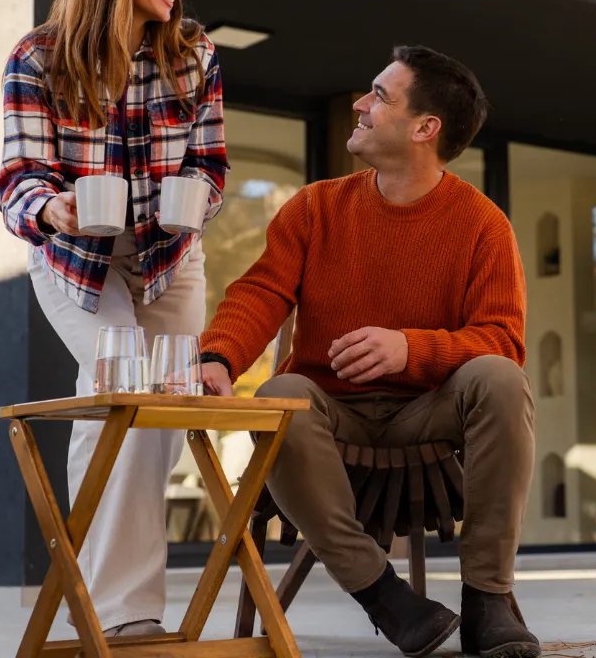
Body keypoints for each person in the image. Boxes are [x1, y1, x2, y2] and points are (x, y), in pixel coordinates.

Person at [198, 46, 540, 658]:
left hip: (429, 415)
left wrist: (410, 349)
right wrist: (219, 357)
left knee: (501, 378)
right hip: (330, 414)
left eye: (380, 95)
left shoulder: (483, 225)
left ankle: (488, 599)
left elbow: (502, 341)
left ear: (424, 128)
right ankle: (383, 595)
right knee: (279, 396)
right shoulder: (315, 208)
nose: (360, 102)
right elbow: (261, 291)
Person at [0, 0, 227, 638]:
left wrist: (194, 200)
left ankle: (102, 604)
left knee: (146, 419)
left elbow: (213, 163)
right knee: (122, 391)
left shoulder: (195, 54)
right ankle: (127, 619)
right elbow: (19, 178)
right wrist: (53, 209)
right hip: (75, 259)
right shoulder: (38, 57)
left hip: (168, 258)